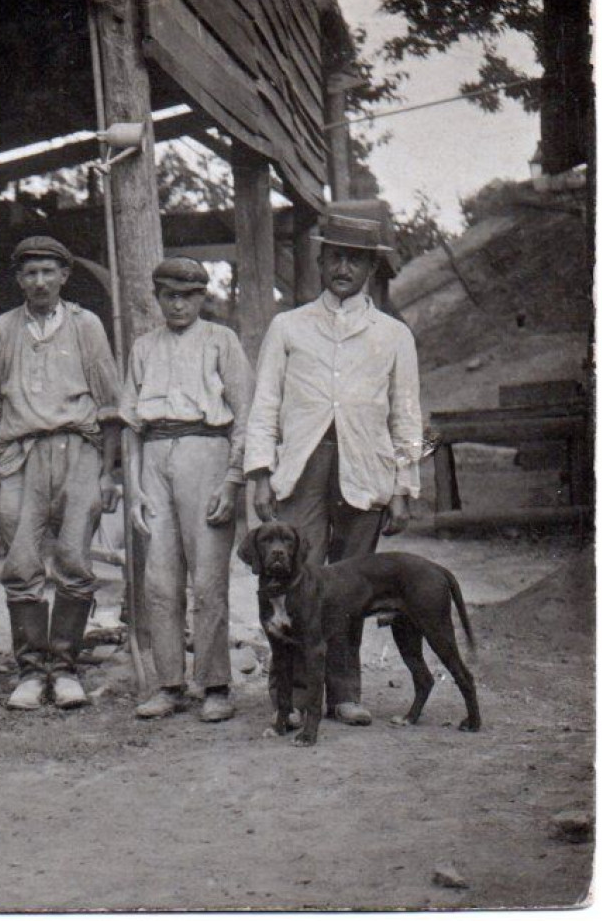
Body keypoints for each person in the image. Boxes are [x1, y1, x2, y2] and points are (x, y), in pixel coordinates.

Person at [245, 213, 423, 727]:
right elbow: (265, 403)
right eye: (335, 256)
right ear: (320, 261)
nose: (343, 266)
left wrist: (403, 486)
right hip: (302, 464)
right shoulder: (289, 326)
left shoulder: (392, 335)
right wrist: (260, 471)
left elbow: (406, 411)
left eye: (356, 258)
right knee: (298, 580)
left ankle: (344, 693)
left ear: (371, 266)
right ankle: (300, 696)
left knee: (349, 586)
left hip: (366, 467)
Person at [0, 236, 120, 711]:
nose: (39, 281)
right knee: (21, 566)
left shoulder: (86, 326)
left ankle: (65, 669)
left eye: (48, 271)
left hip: (79, 450)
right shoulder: (2, 329)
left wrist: (108, 473)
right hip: (19, 454)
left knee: (75, 563)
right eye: (30, 273)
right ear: (19, 279)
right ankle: (31, 673)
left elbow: (110, 404)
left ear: (64, 275)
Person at [120, 257, 252, 722]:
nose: (178, 304)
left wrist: (233, 481)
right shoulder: (142, 348)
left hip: (207, 452)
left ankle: (215, 684)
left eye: (188, 296)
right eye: (169, 296)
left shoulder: (222, 342)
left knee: (209, 580)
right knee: (158, 580)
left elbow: (245, 418)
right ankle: (169, 683)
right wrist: (134, 488)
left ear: (202, 298)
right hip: (154, 456)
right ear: (157, 298)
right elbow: (131, 426)